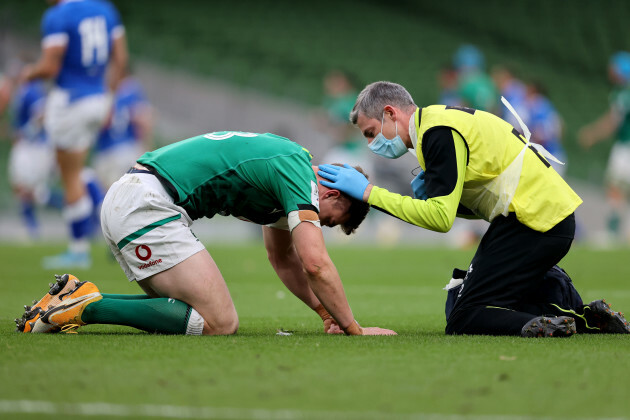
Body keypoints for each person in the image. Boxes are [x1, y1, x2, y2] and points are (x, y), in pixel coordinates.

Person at [318, 81, 630, 337]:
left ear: (390, 113)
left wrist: (369, 193)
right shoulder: (439, 122)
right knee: (477, 299)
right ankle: (586, 318)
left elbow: (440, 219)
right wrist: (450, 201)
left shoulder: (435, 134)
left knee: (463, 316)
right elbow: (470, 205)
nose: (373, 144)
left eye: (371, 132)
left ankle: (552, 324)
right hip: (541, 218)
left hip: (534, 221)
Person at [17, 131, 396, 337]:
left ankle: (72, 296)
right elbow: (314, 262)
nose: (320, 225)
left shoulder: (286, 180)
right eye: (329, 221)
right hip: (147, 206)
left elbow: (283, 258)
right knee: (220, 322)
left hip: (137, 200)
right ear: (331, 193)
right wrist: (352, 327)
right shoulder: (297, 171)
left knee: (191, 317)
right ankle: (87, 306)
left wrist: (322, 311)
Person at [21, 0, 128, 268]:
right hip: (97, 99)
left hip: (70, 99)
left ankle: (79, 249)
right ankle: (113, 234)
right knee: (80, 172)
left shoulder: (58, 15)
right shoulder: (106, 9)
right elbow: (121, 59)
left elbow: (50, 66)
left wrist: (27, 73)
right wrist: (109, 99)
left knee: (70, 176)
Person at [0, 58, 62, 239]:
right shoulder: (23, 91)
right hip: (28, 146)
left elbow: (42, 114)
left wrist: (26, 132)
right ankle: (33, 228)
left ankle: (68, 206)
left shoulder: (33, 90)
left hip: (34, 146)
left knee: (29, 190)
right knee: (23, 189)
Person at [579, 51, 630, 243]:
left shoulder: (623, 93)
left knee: (615, 186)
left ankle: (612, 231)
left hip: (626, 147)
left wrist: (591, 134)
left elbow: (612, 122)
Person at [93, 65, 153, 189]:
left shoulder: (106, 91)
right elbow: (144, 120)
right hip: (127, 151)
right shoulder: (131, 89)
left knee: (107, 197)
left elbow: (142, 120)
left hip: (111, 152)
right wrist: (147, 150)